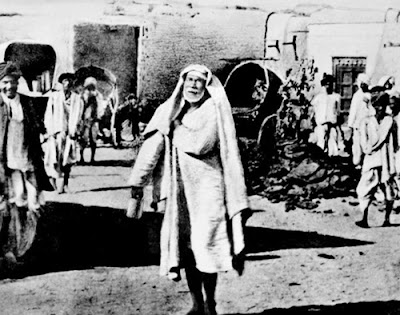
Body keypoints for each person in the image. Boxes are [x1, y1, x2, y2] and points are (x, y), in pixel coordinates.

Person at [127, 64, 249, 315]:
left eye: (199, 82)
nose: (193, 85)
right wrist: (137, 183)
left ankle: (210, 302)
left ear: (206, 86)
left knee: (206, 245)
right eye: (190, 80)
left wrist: (175, 128)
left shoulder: (212, 111)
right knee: (188, 250)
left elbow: (202, 143)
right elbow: (152, 147)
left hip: (208, 188)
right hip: (181, 191)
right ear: (182, 82)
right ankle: (196, 303)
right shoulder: (171, 111)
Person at [0, 62, 53, 266]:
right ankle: (11, 250)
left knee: (34, 205)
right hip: (7, 166)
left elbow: (39, 127)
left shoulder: (28, 103)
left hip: (28, 162)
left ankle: (24, 246)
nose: (9, 87)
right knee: (13, 206)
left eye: (13, 82)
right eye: (5, 82)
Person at [355, 91, 397, 228]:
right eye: (377, 105)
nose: (380, 108)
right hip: (371, 159)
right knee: (366, 187)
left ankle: (387, 219)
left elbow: (395, 142)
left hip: (386, 158)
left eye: (382, 105)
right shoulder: (366, 122)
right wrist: (368, 151)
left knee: (388, 188)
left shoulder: (390, 121)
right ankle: (364, 218)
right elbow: (363, 143)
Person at [43, 72, 83, 193]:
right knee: (54, 157)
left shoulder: (77, 99)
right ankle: (53, 182)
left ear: (73, 83)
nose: (67, 83)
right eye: (65, 81)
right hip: (57, 131)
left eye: (70, 81)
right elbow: (49, 114)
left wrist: (75, 130)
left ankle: (65, 184)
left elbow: (79, 116)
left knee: (68, 159)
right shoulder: (54, 97)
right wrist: (51, 130)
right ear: (62, 83)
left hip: (69, 132)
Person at [311, 74, 343, 156]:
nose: (328, 86)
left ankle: (332, 159)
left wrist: (337, 122)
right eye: (327, 84)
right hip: (322, 123)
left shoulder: (336, 97)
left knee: (333, 141)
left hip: (332, 123)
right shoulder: (319, 97)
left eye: (331, 84)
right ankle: (321, 158)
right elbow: (314, 110)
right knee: (321, 141)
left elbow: (338, 110)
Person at [348, 73, 374, 166]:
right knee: (357, 144)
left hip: (367, 124)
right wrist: (351, 124)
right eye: (361, 83)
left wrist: (368, 104)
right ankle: (357, 163)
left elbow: (372, 110)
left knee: (366, 143)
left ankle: (365, 162)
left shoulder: (369, 95)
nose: (363, 85)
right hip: (358, 124)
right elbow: (353, 111)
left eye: (365, 83)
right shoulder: (356, 96)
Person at [77, 77, 104, 164]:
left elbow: (100, 106)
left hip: (94, 119)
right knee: (83, 139)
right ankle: (81, 158)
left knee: (93, 139)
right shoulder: (82, 96)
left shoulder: (98, 95)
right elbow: (80, 108)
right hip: (85, 120)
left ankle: (92, 158)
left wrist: (99, 115)